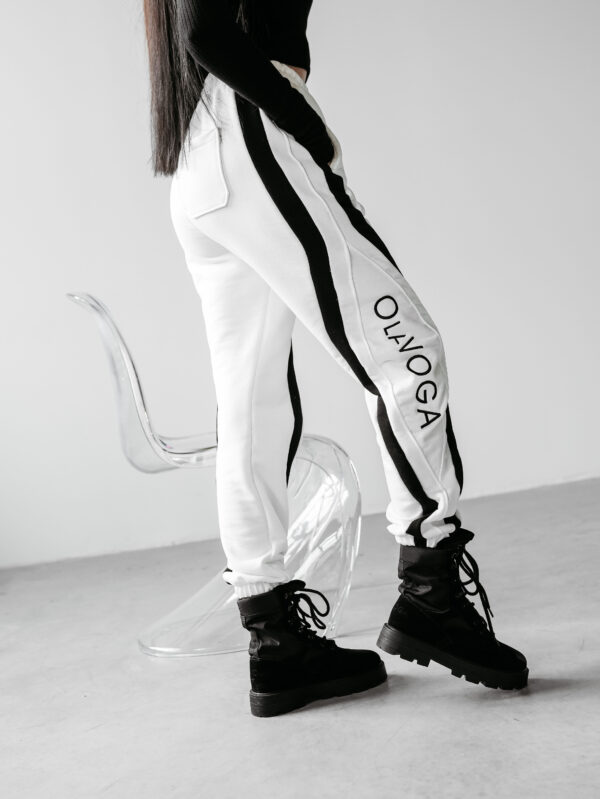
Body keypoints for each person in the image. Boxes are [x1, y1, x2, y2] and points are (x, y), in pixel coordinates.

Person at [142, 0, 528, 717]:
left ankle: (275, 641)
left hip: (208, 148)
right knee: (405, 351)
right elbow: (204, 31)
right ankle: (430, 587)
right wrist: (303, 118)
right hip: (254, 126)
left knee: (251, 405)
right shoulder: (263, 102)